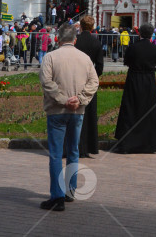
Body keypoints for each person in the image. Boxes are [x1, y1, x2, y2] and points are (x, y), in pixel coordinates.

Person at [39, 23, 99, 211]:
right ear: (75, 39)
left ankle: (57, 197)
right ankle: (70, 191)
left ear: (58, 38)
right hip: (77, 111)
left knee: (56, 154)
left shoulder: (50, 57)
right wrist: (79, 99)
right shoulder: (85, 58)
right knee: (73, 151)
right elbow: (94, 81)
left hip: (57, 111)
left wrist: (63, 99)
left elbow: (46, 82)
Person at [114, 23, 156, 154]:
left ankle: (127, 144)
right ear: (151, 34)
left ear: (139, 33)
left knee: (130, 109)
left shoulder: (133, 47)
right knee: (147, 111)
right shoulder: (154, 48)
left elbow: (127, 62)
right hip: (149, 81)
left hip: (134, 79)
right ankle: (148, 145)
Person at [75, 15, 104, 157]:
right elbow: (100, 65)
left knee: (74, 112)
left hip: (74, 79)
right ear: (92, 27)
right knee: (89, 114)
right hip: (88, 81)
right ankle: (88, 146)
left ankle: (74, 145)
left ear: (80, 26)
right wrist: (93, 77)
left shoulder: (75, 41)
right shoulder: (96, 43)